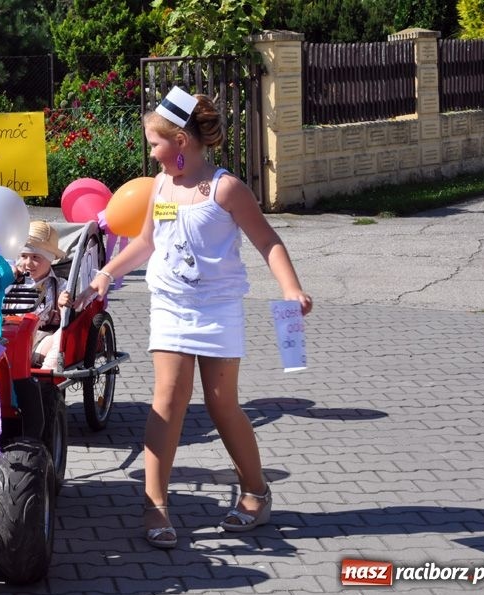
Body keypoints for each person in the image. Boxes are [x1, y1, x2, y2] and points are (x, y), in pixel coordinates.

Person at [84, 87, 313, 549]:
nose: (151, 152)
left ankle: (256, 491)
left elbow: (268, 241)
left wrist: (291, 288)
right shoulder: (161, 187)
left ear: (181, 142)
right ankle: (155, 505)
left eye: (155, 142)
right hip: (170, 304)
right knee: (167, 398)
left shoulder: (225, 188)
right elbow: (146, 243)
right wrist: (108, 271)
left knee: (220, 403)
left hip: (218, 307)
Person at [12, 220, 71, 370]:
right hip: (8, 339)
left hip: (39, 341)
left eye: (36, 257)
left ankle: (47, 377)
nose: (28, 263)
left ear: (50, 259)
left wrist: (62, 305)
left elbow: (69, 321)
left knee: (60, 336)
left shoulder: (60, 285)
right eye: (24, 256)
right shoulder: (12, 279)